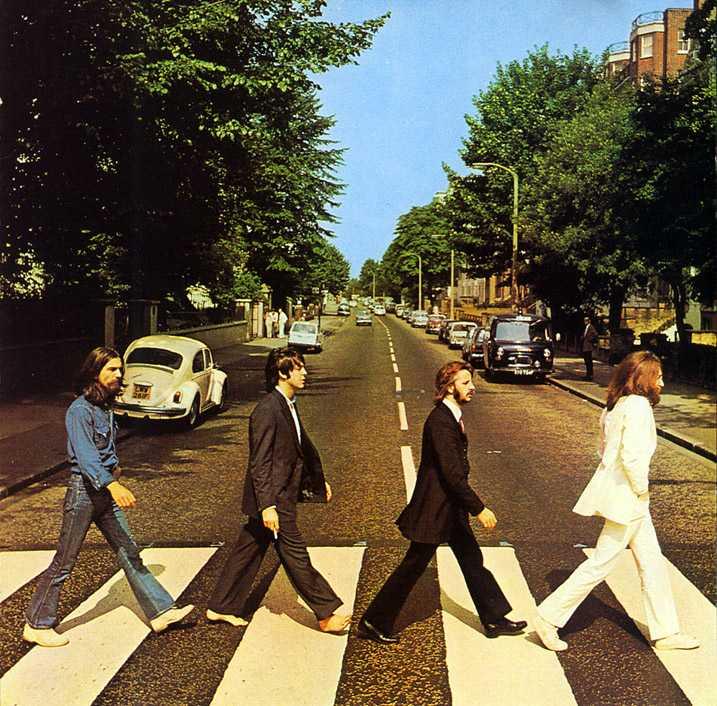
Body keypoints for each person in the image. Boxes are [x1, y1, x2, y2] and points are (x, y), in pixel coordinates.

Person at [23, 347, 194, 648]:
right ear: (94, 373)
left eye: (120, 369)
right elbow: (86, 457)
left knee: (129, 551)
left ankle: (161, 611)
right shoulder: (79, 410)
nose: (119, 374)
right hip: (84, 493)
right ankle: (36, 624)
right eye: (112, 369)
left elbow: (104, 451)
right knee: (65, 561)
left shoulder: (105, 407)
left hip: (102, 492)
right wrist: (112, 485)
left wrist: (115, 468)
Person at [534, 351, 699, 652]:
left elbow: (603, 451)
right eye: (658, 376)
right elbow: (632, 458)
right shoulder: (638, 407)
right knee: (601, 563)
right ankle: (548, 617)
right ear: (644, 379)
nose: (662, 382)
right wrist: (641, 490)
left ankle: (666, 632)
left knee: (652, 563)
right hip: (630, 499)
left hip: (625, 496)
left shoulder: (616, 405)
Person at [357, 361, 527, 644]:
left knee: (472, 560)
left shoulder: (451, 417)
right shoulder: (440, 422)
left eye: (471, 381)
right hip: (436, 509)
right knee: (413, 565)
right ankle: (374, 621)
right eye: (465, 382)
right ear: (449, 387)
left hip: (450, 508)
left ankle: (494, 618)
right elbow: (452, 475)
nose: (472, 387)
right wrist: (479, 508)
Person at [206, 347, 350, 632]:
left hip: (281, 492)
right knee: (295, 555)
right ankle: (325, 613)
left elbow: (296, 452)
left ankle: (220, 606)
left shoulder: (288, 404)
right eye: (298, 368)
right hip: (274, 497)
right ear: (283, 373)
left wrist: (317, 482)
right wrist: (267, 506)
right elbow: (259, 463)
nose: (305, 372)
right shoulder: (267, 410)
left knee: (248, 549)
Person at [581, 316, 599, 380]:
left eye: (586, 320)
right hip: (585, 347)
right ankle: (588, 375)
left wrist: (589, 340)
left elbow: (595, 334)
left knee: (589, 362)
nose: (585, 322)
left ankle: (590, 375)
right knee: (586, 362)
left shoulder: (591, 327)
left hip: (588, 347)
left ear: (589, 321)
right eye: (584, 320)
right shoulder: (586, 327)